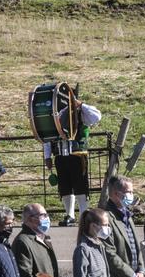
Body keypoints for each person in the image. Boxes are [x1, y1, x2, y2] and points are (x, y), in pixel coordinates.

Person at [44, 95, 102, 226]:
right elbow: (47, 137)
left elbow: (97, 116)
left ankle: (83, 215)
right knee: (64, 186)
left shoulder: (81, 111)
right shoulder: (53, 115)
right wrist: (47, 156)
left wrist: (81, 105)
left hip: (78, 154)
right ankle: (69, 215)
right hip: (59, 155)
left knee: (80, 185)